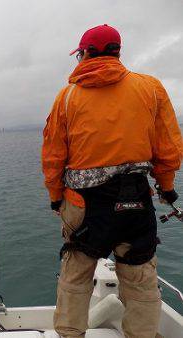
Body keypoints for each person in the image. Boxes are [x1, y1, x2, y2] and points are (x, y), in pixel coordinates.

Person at [42, 24, 183, 337]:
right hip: (136, 203)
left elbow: (53, 157)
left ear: (86, 53)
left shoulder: (66, 98)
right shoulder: (151, 89)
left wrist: (55, 197)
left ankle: (69, 333)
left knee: (76, 279)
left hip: (83, 206)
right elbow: (168, 149)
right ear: (117, 52)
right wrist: (168, 187)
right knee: (141, 283)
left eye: (79, 54)